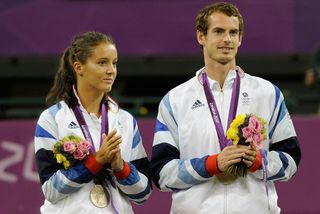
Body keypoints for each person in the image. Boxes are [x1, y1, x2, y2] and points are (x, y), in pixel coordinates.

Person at [150, 2, 301, 214]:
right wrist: (212, 164)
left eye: (233, 32)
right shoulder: (175, 100)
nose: (227, 39)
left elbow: (291, 161)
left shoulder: (267, 93)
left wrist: (258, 161)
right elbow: (161, 173)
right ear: (201, 37)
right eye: (219, 31)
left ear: (240, 38)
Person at [34, 31, 152, 213]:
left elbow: (144, 193)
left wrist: (121, 167)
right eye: (102, 63)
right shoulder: (52, 118)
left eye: (114, 63)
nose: (111, 70)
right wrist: (95, 161)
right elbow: (51, 190)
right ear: (78, 67)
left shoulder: (126, 121)